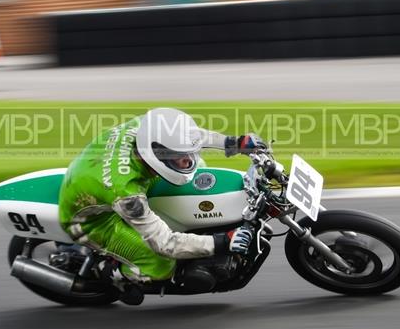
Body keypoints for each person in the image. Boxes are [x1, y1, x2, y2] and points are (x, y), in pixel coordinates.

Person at [58, 107, 265, 301]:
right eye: (178, 156)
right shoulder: (127, 193)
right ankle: (110, 273)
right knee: (161, 264)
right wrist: (222, 242)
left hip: (104, 180)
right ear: (155, 155)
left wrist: (234, 142)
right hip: (94, 221)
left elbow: (190, 136)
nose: (187, 160)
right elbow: (165, 243)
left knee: (197, 172)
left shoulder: (148, 128)